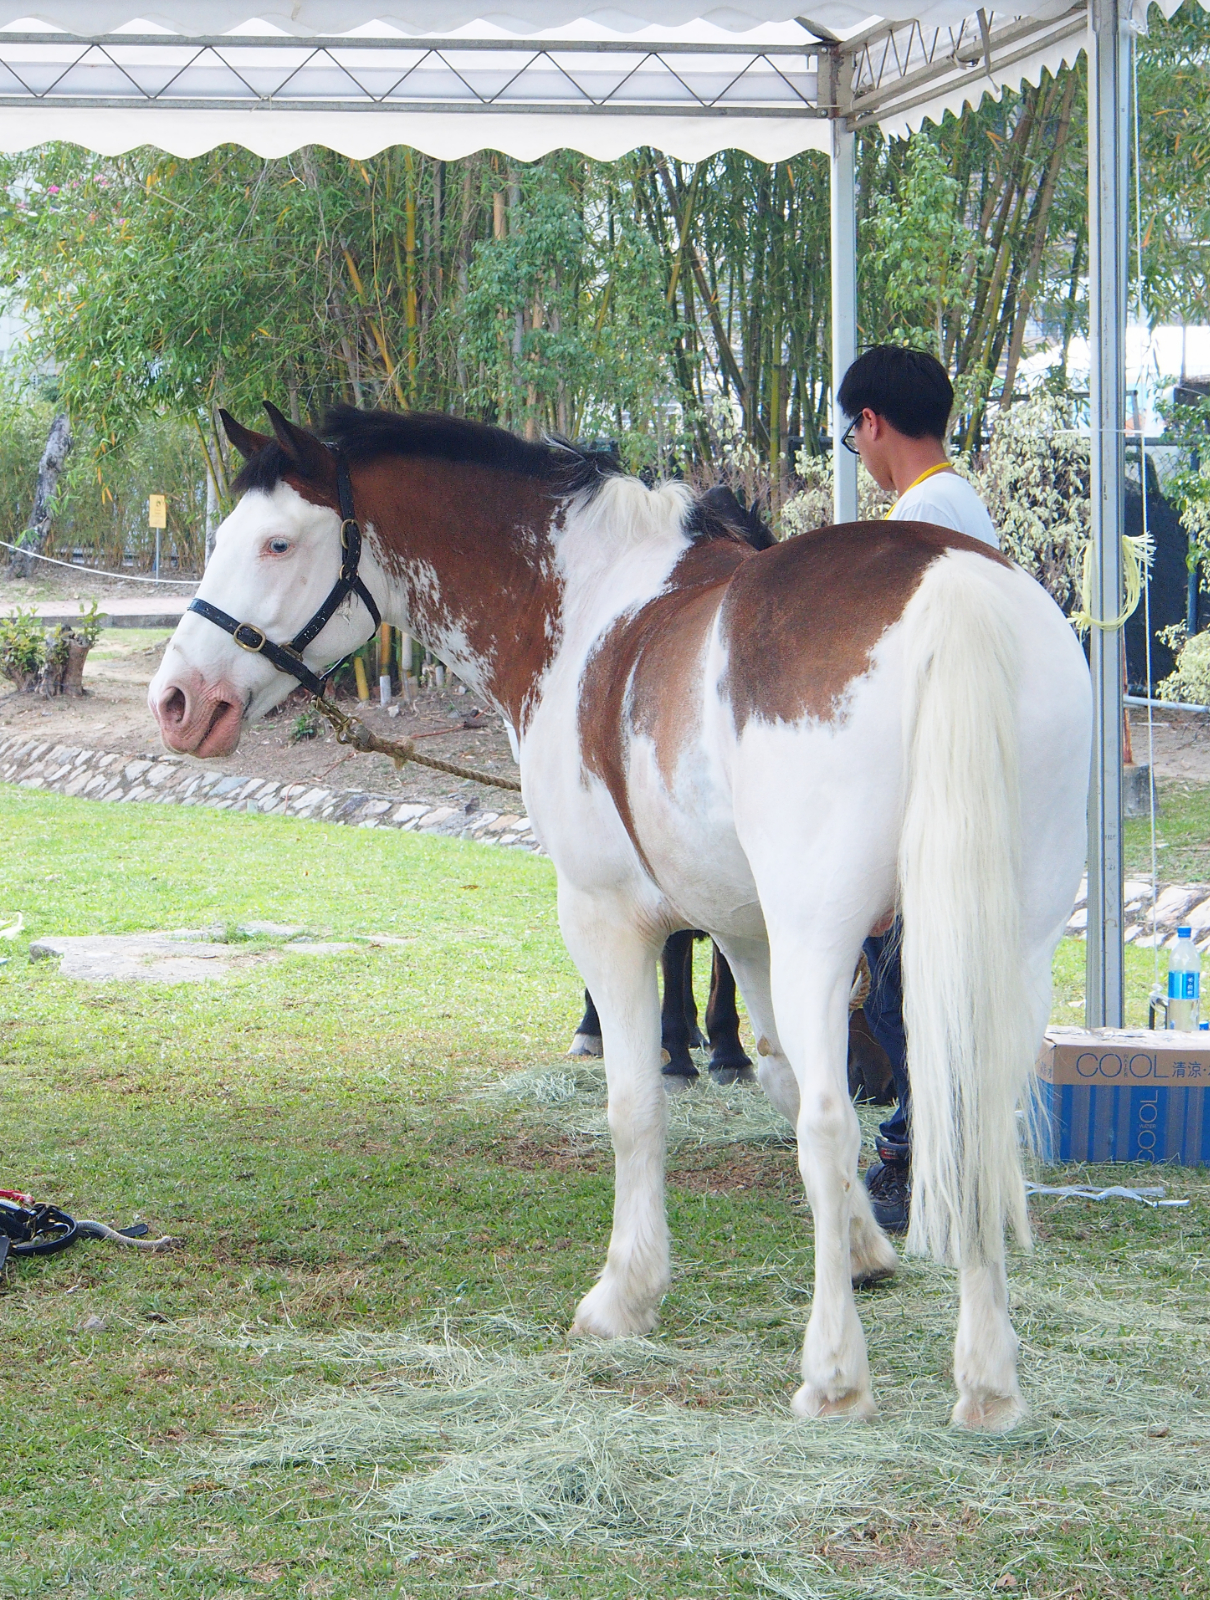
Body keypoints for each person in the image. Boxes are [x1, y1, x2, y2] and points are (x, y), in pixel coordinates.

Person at [835, 345, 1000, 1231]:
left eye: (851, 432)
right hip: (962, 786)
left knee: (903, 996)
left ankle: (915, 1157)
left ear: (871, 423)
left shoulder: (919, 520)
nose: (856, 449)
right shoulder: (959, 504)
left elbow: (905, 682)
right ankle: (934, 1152)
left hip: (930, 791)